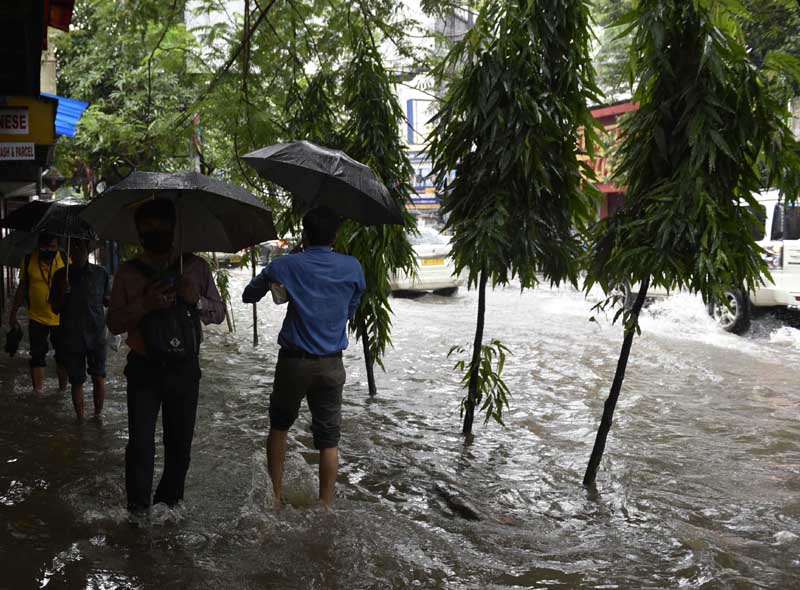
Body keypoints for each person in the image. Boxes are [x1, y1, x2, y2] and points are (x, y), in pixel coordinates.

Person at [242, 207, 366, 510]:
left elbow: (248, 295)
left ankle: (274, 498)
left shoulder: (286, 264)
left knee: (280, 427)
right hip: (332, 364)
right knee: (328, 439)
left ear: (304, 234)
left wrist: (282, 278)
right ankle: (325, 505)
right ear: (335, 236)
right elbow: (352, 308)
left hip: (294, 362)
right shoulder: (353, 267)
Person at [106, 198, 225, 513]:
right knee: (141, 447)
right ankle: (138, 512)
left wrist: (195, 299)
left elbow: (219, 314)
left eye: (162, 227)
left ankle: (168, 509)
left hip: (185, 372)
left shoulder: (195, 267)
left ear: (174, 229)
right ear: (139, 232)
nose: (155, 233)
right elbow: (114, 323)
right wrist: (145, 305)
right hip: (144, 370)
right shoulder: (128, 273)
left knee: (179, 450)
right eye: (148, 229)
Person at [49, 239, 111, 419]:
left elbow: (108, 302)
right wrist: (62, 291)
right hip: (71, 336)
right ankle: (80, 420)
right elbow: (54, 308)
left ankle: (98, 416)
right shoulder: (61, 276)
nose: (76, 251)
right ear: (68, 251)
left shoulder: (101, 274)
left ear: (87, 250)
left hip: (97, 335)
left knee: (99, 376)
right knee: (76, 381)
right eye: (73, 247)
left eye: (80, 247)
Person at [7, 232, 68, 393]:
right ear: (38, 245)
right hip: (36, 317)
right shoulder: (28, 260)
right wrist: (13, 313)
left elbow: (75, 288)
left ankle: (62, 392)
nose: (48, 250)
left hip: (61, 318)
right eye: (44, 247)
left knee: (63, 357)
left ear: (58, 246)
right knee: (37, 357)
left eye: (52, 247)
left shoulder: (64, 259)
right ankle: (38, 393)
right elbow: (21, 288)